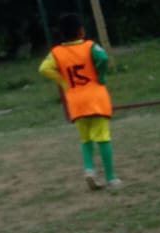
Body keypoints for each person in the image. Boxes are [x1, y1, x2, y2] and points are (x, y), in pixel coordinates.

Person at [38, 13, 120, 190]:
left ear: (62, 34)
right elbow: (103, 57)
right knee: (103, 137)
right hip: (95, 97)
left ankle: (89, 169)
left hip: (75, 100)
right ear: (81, 31)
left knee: (85, 139)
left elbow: (44, 68)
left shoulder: (56, 52)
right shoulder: (90, 46)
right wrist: (101, 75)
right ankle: (111, 177)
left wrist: (63, 81)